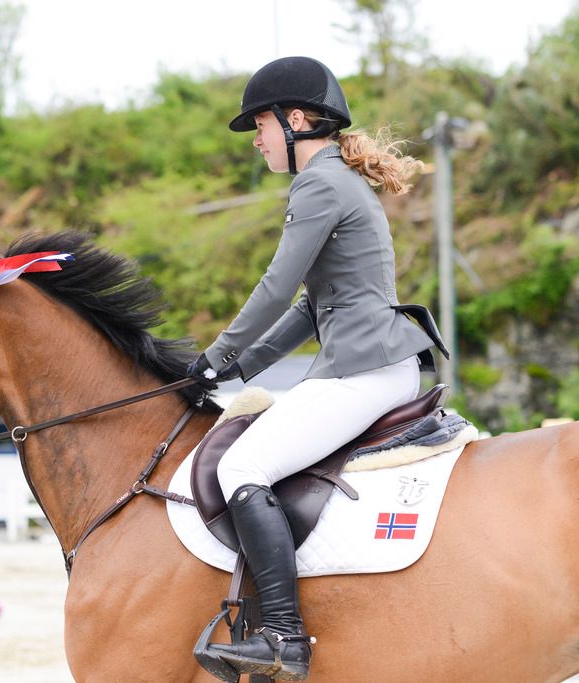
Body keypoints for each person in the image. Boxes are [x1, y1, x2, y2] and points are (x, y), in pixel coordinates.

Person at [187, 56, 448, 681]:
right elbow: (309, 307)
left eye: (260, 125)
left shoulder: (319, 184)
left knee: (242, 466)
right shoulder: (334, 180)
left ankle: (283, 636)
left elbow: (276, 287)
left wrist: (214, 356)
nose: (256, 138)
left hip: (364, 370)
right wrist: (240, 366)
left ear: (296, 119)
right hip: (369, 362)